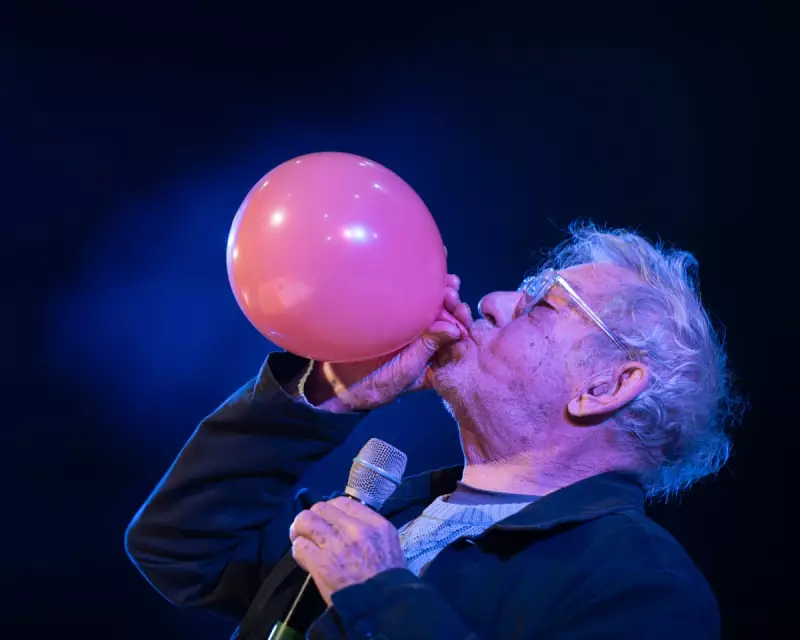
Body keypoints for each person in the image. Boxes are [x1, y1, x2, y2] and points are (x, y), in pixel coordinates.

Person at [126, 223, 740, 639]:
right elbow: (178, 547)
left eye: (543, 304)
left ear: (605, 386)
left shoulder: (642, 584)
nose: (494, 300)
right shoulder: (390, 513)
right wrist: (332, 394)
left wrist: (378, 594)